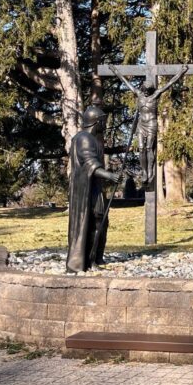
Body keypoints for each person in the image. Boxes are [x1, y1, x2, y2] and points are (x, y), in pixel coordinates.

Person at [67, 106, 123, 273]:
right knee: (95, 222)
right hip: (85, 191)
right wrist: (110, 176)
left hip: (92, 188)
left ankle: (95, 257)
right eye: (103, 121)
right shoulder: (84, 138)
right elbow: (90, 163)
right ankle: (88, 260)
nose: (105, 125)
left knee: (100, 222)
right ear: (96, 122)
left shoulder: (91, 139)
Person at [111, 71, 186, 186]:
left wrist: (181, 72)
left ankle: (150, 169)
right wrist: (115, 71)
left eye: (148, 91)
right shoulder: (138, 93)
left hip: (151, 124)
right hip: (141, 124)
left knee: (149, 147)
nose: (145, 92)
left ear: (151, 90)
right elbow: (126, 82)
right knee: (141, 148)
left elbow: (169, 83)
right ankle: (144, 171)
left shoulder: (156, 94)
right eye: (144, 90)